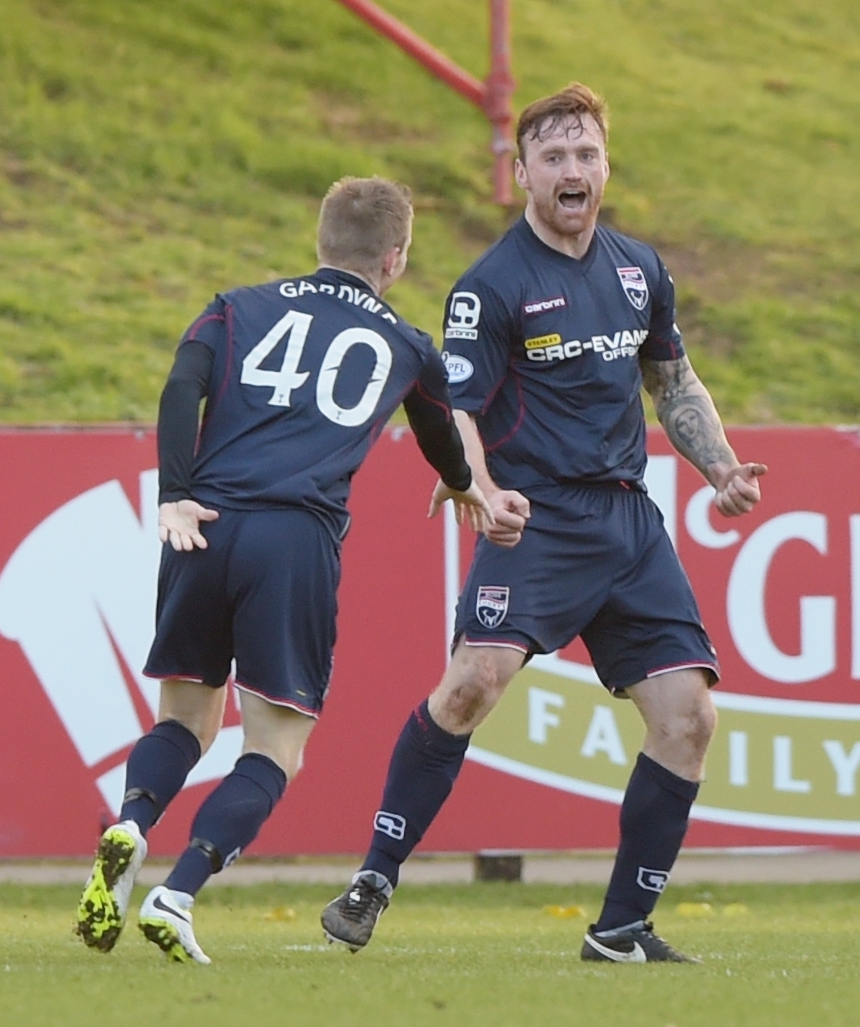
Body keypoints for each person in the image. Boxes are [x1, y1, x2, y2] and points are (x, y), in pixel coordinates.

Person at [320, 85, 766, 964]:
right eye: (554, 156)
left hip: (627, 522)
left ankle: (619, 929)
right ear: (521, 172)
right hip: (536, 520)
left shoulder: (640, 269)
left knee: (689, 718)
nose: (573, 170)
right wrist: (481, 488)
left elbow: (671, 379)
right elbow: (457, 409)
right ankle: (373, 877)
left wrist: (718, 466)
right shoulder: (491, 286)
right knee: (470, 686)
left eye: (586, 154)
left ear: (605, 168)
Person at [75, 176, 493, 964]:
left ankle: (130, 822)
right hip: (294, 540)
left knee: (182, 722)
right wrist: (466, 486)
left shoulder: (235, 305)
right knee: (272, 749)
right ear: (394, 258)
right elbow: (442, 439)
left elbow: (180, 386)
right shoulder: (407, 345)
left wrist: (175, 492)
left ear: (320, 241)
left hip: (205, 523)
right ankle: (178, 891)